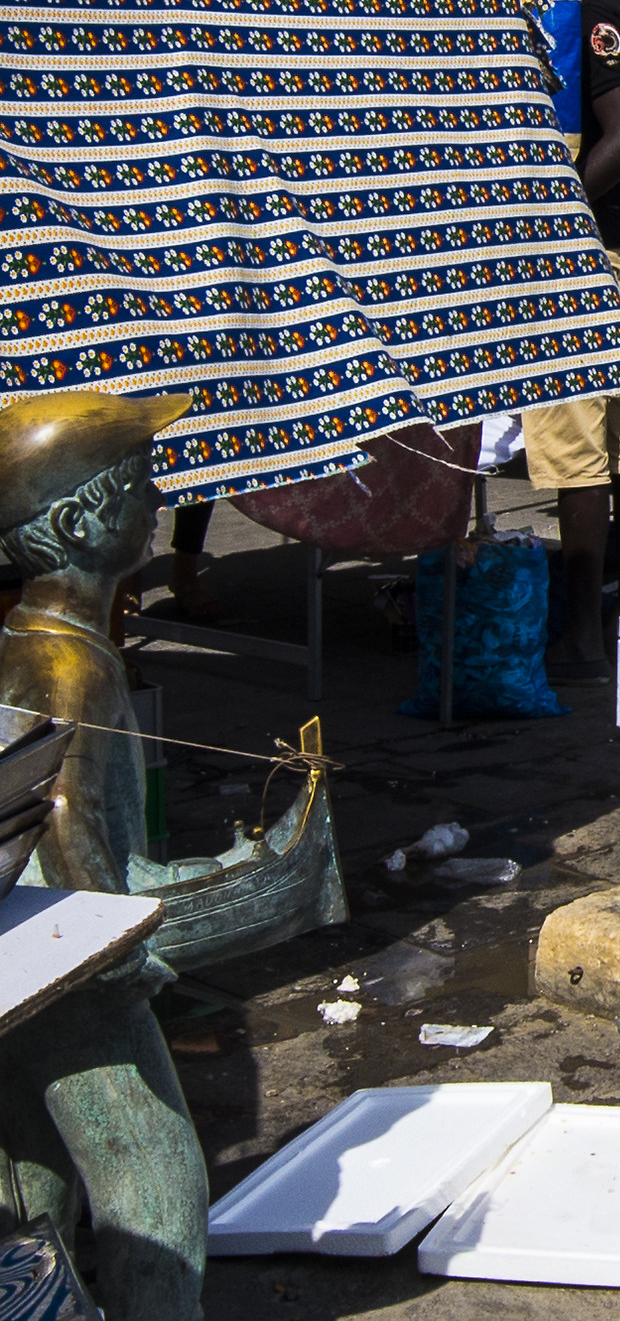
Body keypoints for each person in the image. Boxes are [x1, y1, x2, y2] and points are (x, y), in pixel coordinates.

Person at [0, 390, 210, 1319]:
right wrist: (123, 951)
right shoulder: (69, 662)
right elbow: (61, 810)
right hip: (71, 953)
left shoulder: (37, 635)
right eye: (139, 482)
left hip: (25, 941)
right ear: (83, 517)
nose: (159, 496)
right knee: (156, 1180)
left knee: (31, 1173)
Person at [517, 0, 620, 685]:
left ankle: (579, 634)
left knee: (577, 449)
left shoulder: (579, 17)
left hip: (590, 252)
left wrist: (560, 209)